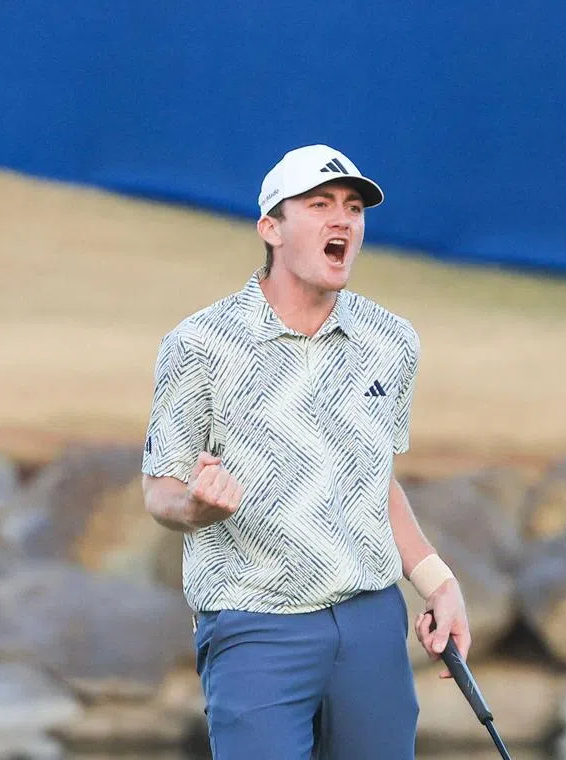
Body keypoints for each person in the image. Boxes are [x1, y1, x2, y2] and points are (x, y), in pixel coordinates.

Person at [141, 144, 470, 759]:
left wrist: (437, 582)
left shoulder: (390, 341)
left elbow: (376, 482)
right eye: (318, 205)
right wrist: (194, 507)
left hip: (370, 622)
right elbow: (158, 488)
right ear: (271, 228)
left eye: (352, 207)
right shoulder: (199, 345)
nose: (341, 220)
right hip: (255, 624)